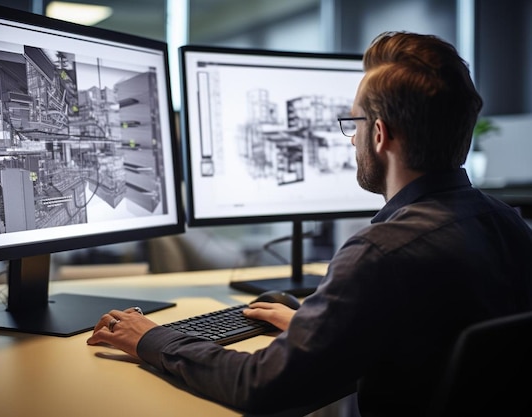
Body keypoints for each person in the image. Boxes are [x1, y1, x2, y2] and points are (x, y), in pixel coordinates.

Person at [87, 31, 532, 416]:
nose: (352, 136)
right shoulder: (509, 225)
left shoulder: (379, 253)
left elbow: (259, 386)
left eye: (354, 123)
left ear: (379, 135)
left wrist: (153, 338)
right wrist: (320, 324)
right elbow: (430, 333)